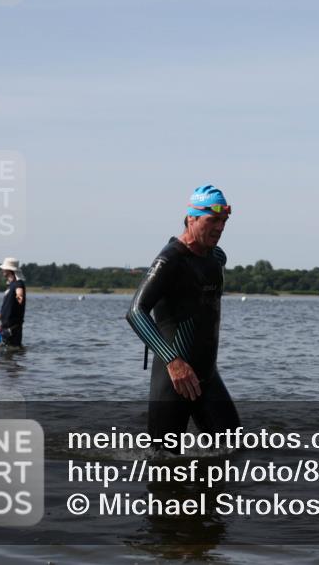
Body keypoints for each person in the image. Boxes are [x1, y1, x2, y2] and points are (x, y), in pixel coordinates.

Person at [126, 184, 240, 443]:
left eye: (224, 221)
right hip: (174, 380)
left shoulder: (215, 256)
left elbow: (216, 260)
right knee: (163, 462)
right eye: (213, 220)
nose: (220, 227)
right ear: (192, 218)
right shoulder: (170, 259)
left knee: (233, 448)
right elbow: (135, 311)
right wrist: (173, 362)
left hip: (207, 376)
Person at [0, 257, 27, 347]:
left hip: (13, 329)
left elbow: (19, 292)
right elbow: (6, 306)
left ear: (10, 270)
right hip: (5, 327)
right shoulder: (11, 285)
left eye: (4, 268)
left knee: (11, 352)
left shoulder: (18, 283)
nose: (2, 270)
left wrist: (19, 297)